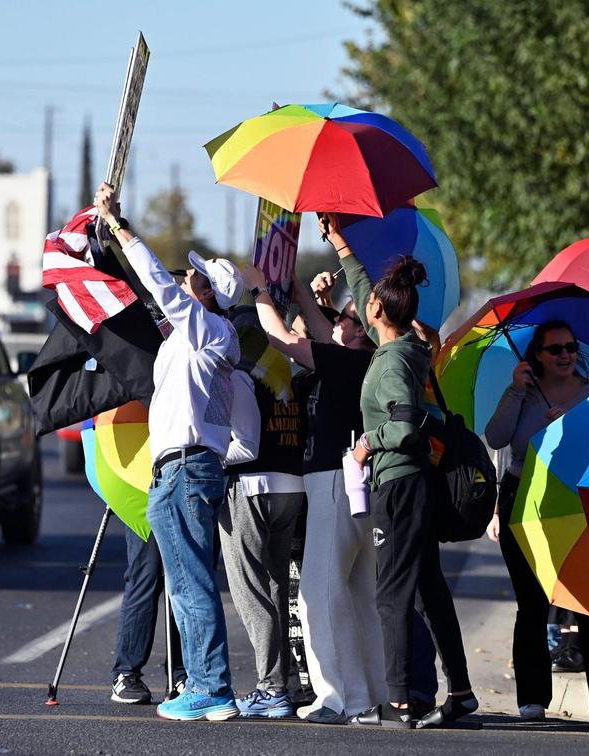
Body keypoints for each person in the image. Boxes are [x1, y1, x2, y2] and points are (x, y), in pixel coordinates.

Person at [94, 182, 243, 722]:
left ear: (209, 294)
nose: (186, 277)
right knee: (186, 582)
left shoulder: (211, 329)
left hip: (185, 467)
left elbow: (159, 285)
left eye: (195, 277)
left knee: (190, 584)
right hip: (181, 469)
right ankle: (207, 685)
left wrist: (120, 226)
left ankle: (211, 687)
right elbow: (149, 296)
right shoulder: (196, 334)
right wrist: (108, 243)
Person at [325, 215, 477, 730]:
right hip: (418, 483)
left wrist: (369, 442)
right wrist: (341, 244)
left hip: (400, 481)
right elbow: (368, 291)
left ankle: (398, 703)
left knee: (392, 593)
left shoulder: (391, 362)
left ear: (377, 313)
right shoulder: (404, 347)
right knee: (430, 590)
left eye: (368, 306)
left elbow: (406, 425)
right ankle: (460, 692)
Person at [238, 262, 388, 725]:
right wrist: (299, 290)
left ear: (359, 331)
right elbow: (323, 331)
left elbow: (284, 340)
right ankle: (373, 693)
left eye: (344, 318)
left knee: (319, 593)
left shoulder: (346, 360)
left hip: (334, 481)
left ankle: (341, 697)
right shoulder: (366, 359)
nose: (335, 320)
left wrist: (263, 291)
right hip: (361, 486)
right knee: (361, 593)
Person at [110, 366, 261, 706]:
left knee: (190, 579)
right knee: (148, 574)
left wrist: (211, 458)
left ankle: (189, 676)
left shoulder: (201, 358)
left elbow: (238, 440)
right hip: (146, 476)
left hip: (186, 473)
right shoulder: (156, 355)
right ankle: (128, 670)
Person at [483, 321, 589, 721]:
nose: (565, 355)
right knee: (531, 604)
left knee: (584, 599)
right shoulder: (523, 392)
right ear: (537, 357)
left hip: (574, 502)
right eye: (555, 350)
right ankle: (532, 697)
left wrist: (570, 425)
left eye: (569, 347)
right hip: (522, 496)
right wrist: (515, 390)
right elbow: (496, 437)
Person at [218, 306, 307, 719]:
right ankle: (284, 683)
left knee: (250, 588)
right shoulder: (285, 369)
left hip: (250, 487)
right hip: (291, 485)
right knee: (274, 585)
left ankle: (271, 687)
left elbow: (243, 443)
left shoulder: (240, 375)